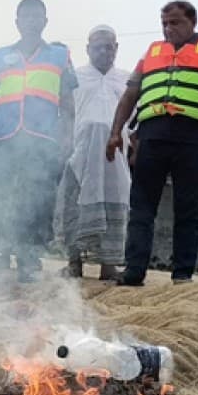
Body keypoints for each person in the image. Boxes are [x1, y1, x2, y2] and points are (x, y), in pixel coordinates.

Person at [107, 2, 198, 286]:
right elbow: (130, 95)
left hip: (191, 138)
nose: (169, 29)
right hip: (152, 136)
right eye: (165, 23)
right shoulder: (151, 52)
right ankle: (134, 271)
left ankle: (182, 274)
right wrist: (115, 131)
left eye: (175, 22)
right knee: (141, 207)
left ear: (193, 22)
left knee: (188, 208)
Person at [0, 0, 78, 284]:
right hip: (1, 137)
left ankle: (28, 259)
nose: (32, 22)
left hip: (42, 140)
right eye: (26, 17)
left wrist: (67, 137)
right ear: (17, 21)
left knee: (36, 201)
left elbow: (67, 103)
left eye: (37, 17)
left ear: (45, 21)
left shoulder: (61, 56)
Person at [56, 26, 131, 282]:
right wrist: (65, 145)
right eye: (98, 47)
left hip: (115, 159)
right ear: (88, 49)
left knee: (114, 207)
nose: (103, 52)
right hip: (80, 155)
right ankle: (74, 263)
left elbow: (135, 119)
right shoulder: (75, 78)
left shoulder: (127, 80)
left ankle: (108, 266)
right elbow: (66, 114)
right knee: (74, 207)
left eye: (109, 47)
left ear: (116, 49)